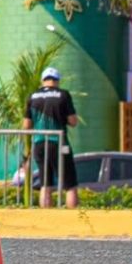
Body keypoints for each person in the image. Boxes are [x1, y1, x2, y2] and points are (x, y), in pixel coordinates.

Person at [22, 66, 78, 208]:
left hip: (39, 142)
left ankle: (46, 218)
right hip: (58, 142)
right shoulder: (63, 95)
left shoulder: (32, 96)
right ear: (57, 81)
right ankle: (74, 218)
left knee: (45, 184)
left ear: (43, 81)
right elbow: (73, 121)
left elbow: (26, 125)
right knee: (70, 184)